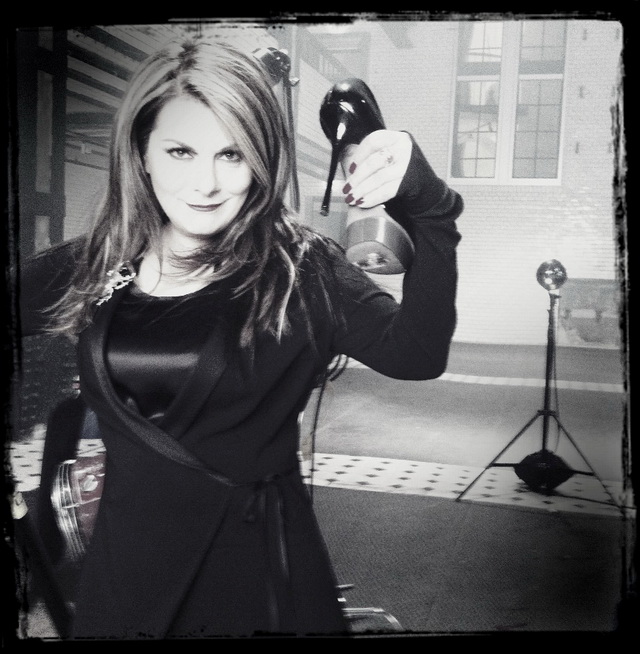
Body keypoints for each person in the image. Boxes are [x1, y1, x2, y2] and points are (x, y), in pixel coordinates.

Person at [18, 34, 463, 639]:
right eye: (180, 151)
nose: (205, 183)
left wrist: (431, 209)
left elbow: (417, 354)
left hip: (253, 573)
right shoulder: (98, 261)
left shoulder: (301, 270)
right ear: (141, 153)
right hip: (125, 578)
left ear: (260, 159)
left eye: (231, 155)